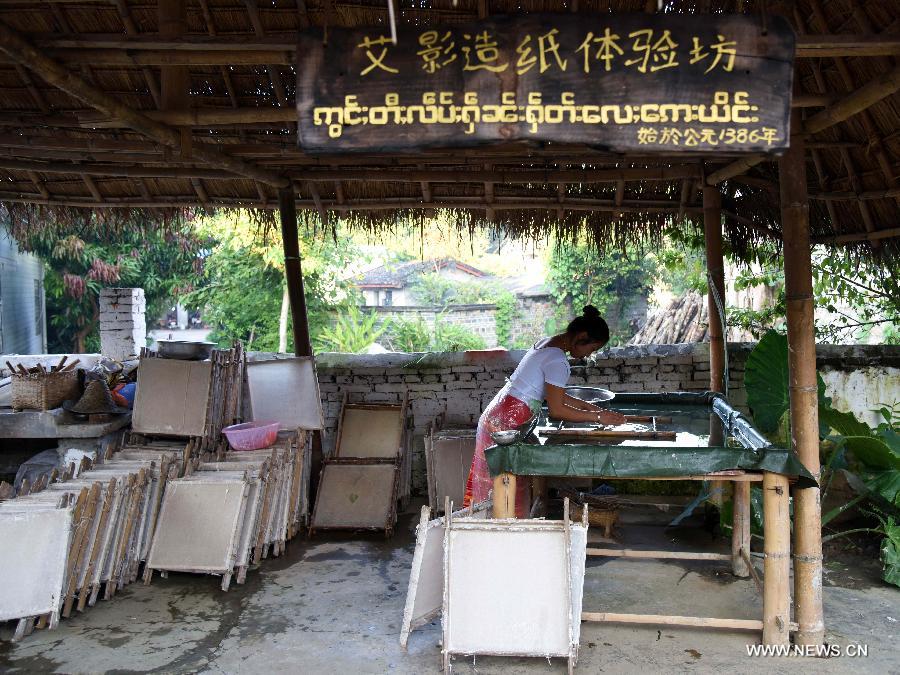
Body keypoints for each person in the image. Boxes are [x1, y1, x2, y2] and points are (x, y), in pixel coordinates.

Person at [463, 305, 626, 517]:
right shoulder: (558, 361)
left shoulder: (546, 345)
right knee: (499, 488)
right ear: (582, 337)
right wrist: (598, 417)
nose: (589, 355)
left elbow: (556, 394)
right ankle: (495, 536)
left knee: (501, 484)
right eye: (592, 349)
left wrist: (591, 408)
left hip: (498, 415)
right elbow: (557, 410)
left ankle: (502, 531)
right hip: (503, 427)